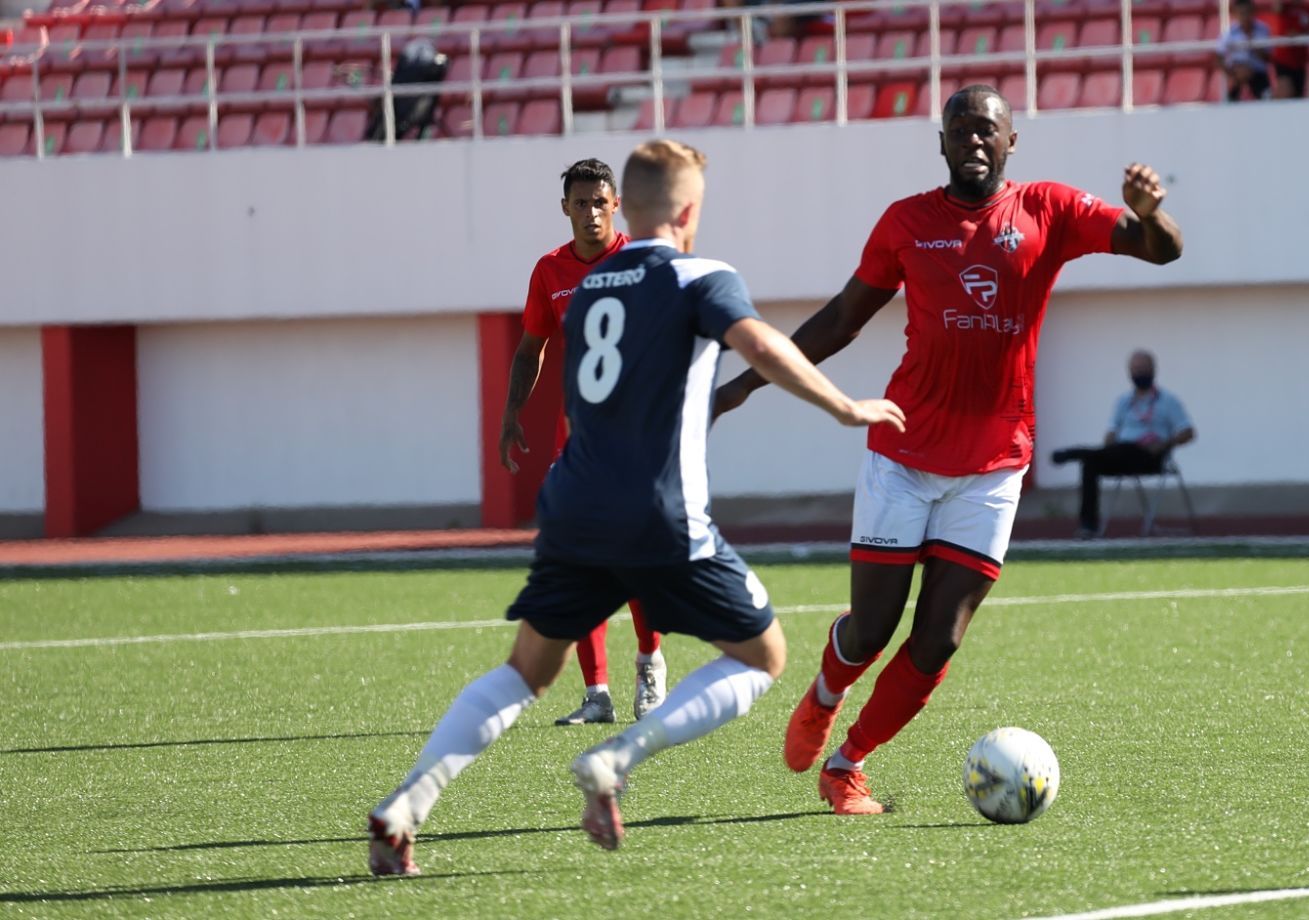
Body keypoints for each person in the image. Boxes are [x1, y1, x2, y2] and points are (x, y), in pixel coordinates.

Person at [367, 139, 906, 873]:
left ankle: (405, 806)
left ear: (629, 204)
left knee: (525, 668)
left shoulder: (587, 288)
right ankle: (617, 757)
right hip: (658, 513)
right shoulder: (701, 274)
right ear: (688, 210)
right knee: (763, 656)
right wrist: (844, 406)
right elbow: (760, 343)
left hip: (572, 505)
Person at [713, 84, 1182, 815]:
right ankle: (824, 697)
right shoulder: (906, 222)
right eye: (959, 128)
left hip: (994, 466)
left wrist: (1151, 217)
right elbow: (844, 317)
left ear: (1010, 142)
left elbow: (1162, 251)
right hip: (903, 453)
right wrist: (747, 384)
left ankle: (846, 764)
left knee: (939, 639)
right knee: (872, 628)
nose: (972, 139)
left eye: (986, 129)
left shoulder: (1049, 210)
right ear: (940, 142)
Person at [499, 158, 667, 726]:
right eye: (581, 202)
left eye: (601, 201)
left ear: (616, 203)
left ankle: (650, 668)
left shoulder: (643, 261)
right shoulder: (549, 270)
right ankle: (597, 693)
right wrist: (511, 412)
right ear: (565, 208)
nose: (591, 212)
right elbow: (530, 349)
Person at [1049, 350, 1196, 537]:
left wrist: (1164, 444)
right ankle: (1088, 525)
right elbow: (1111, 432)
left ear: (1153, 370)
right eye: (1135, 369)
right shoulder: (1124, 402)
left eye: (1143, 368)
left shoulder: (1168, 401)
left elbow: (1188, 432)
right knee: (1091, 464)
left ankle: (1075, 452)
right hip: (1120, 454)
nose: (1139, 373)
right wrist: (1109, 444)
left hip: (1150, 456)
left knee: (1118, 451)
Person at [1218, 0, 1272, 101]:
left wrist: (1253, 45)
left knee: (1251, 75)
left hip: (1258, 72)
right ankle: (1232, 99)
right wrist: (1231, 72)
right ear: (1235, 14)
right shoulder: (1229, 33)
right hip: (1237, 73)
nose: (1245, 16)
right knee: (1242, 74)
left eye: (1248, 12)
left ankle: (1263, 98)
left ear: (1253, 12)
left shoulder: (1263, 29)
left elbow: (1268, 58)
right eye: (1241, 13)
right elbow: (1218, 57)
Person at [1268, 0, 1309, 98]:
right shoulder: (1285, 6)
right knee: (1285, 93)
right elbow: (1276, 8)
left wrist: (1299, 35)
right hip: (1284, 59)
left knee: (1298, 96)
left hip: (1300, 61)